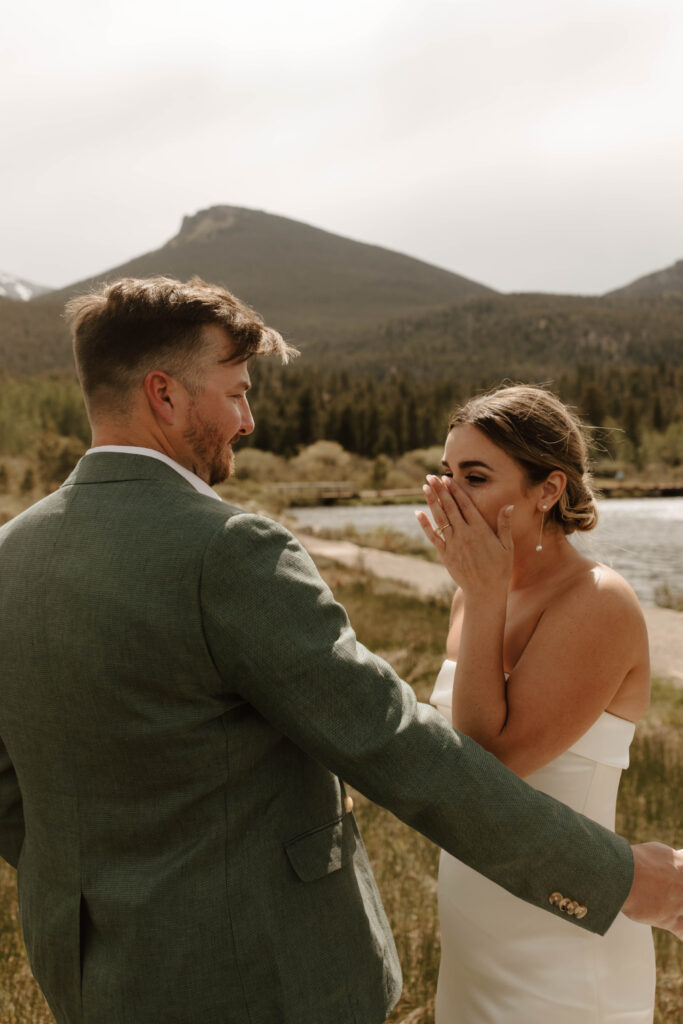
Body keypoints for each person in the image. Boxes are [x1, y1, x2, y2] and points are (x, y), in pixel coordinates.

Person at [0, 277, 679, 1024]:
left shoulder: (11, 553)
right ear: (163, 395)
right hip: (262, 975)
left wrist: (82, 881)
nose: (248, 420)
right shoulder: (228, 548)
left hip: (86, 968)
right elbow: (391, 743)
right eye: (234, 393)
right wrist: (616, 878)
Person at [417, 385, 658, 1022]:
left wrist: (485, 590)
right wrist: (483, 591)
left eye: (474, 476)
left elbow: (488, 767)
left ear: (547, 489)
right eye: (446, 474)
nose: (450, 493)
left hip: (562, 940)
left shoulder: (598, 601)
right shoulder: (473, 597)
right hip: (475, 927)